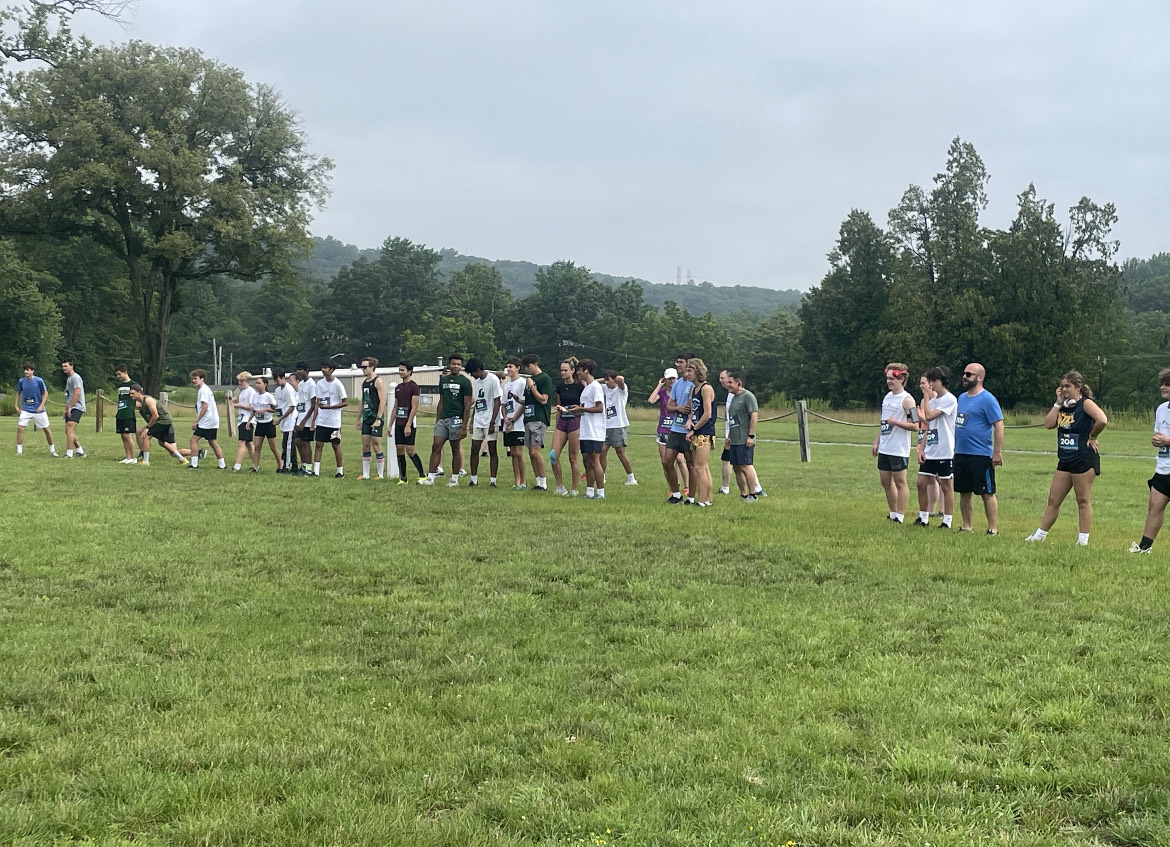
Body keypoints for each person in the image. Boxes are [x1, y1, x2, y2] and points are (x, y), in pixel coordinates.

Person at [1025, 371, 1108, 546]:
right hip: (1065, 459)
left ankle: (1083, 540)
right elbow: (1048, 424)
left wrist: (1092, 436)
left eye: (1067, 386)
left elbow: (1102, 419)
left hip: (1083, 458)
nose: (1063, 389)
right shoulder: (1063, 406)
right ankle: (1039, 536)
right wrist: (1057, 403)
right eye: (1061, 386)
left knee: (1082, 500)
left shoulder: (1085, 404)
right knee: (1053, 500)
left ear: (1078, 387)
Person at [954, 362, 1004, 535]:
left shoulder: (987, 399)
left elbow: (998, 425)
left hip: (980, 454)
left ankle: (992, 528)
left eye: (969, 374)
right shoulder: (961, 398)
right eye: (964, 374)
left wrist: (996, 452)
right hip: (961, 452)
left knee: (987, 492)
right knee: (964, 491)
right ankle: (966, 526)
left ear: (980, 378)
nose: (965, 377)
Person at [1130, 368, 1170, 554]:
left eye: (1167, 384)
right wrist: (1157, 442)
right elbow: (1159, 438)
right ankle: (1144, 547)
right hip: (1162, 468)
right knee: (1154, 508)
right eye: (1161, 383)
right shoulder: (1161, 409)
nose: (1162, 387)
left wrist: (1167, 441)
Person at [871, 363, 917, 523]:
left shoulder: (908, 400)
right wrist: (877, 442)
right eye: (887, 378)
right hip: (885, 446)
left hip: (899, 448)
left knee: (900, 482)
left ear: (902, 379)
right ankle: (892, 512)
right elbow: (883, 422)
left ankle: (900, 515)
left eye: (892, 378)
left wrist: (896, 422)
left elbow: (916, 425)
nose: (888, 381)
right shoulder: (887, 397)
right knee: (885, 481)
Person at [420, 353, 473, 486]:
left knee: (455, 447)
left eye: (459, 364)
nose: (456, 366)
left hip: (456, 418)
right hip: (443, 418)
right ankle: (430, 477)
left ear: (461, 366)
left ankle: (454, 478)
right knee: (436, 445)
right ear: (449, 364)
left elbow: (467, 405)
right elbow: (441, 401)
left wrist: (464, 425)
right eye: (454, 364)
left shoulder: (465, 382)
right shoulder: (443, 380)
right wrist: (438, 419)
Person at [914, 366, 957, 528]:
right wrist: (922, 448)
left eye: (933, 381)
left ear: (942, 381)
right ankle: (923, 517)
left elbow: (930, 415)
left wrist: (925, 396)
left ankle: (947, 520)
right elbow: (929, 425)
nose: (930, 384)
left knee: (946, 486)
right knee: (921, 482)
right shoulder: (933, 401)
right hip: (931, 449)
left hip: (944, 449)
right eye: (929, 381)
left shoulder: (949, 399)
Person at [650, 368, 688, 499]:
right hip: (663, 429)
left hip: (676, 428)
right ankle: (673, 487)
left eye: (674, 378)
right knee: (666, 461)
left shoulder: (680, 392)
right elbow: (651, 400)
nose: (672, 381)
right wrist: (659, 385)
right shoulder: (662, 392)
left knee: (680, 459)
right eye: (669, 379)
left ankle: (687, 486)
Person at [683, 358, 717, 507]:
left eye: (690, 370)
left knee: (699, 467)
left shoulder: (705, 388)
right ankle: (708, 499)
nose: (687, 374)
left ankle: (702, 500)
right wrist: (690, 420)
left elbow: (707, 413)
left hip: (705, 431)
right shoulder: (693, 389)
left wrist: (694, 429)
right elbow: (693, 410)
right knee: (703, 466)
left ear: (698, 371)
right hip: (696, 430)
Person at [129, 384, 189, 466]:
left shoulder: (148, 400)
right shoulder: (142, 404)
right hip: (162, 421)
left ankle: (145, 461)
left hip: (163, 421)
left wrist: (147, 428)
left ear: (139, 392)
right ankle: (182, 459)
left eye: (132, 393)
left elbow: (155, 416)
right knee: (162, 442)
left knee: (147, 436)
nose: (130, 395)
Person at [571, 359, 607, 499]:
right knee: (587, 461)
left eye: (579, 370)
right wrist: (573, 411)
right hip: (585, 430)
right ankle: (590, 491)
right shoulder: (586, 388)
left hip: (595, 431)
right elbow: (584, 409)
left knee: (595, 460)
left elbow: (599, 408)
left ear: (586, 370)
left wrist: (581, 408)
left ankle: (601, 493)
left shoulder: (596, 387)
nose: (577, 373)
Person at [663, 353, 696, 504]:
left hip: (689, 430)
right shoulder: (677, 384)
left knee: (691, 464)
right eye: (677, 362)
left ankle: (691, 496)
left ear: (689, 364)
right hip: (676, 428)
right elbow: (669, 406)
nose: (678, 365)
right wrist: (679, 408)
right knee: (667, 461)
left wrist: (681, 408)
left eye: (681, 362)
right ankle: (676, 493)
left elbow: (691, 406)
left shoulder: (694, 385)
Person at [725, 368, 760, 501]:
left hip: (744, 439)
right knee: (736, 467)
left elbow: (754, 416)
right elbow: (732, 419)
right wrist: (728, 438)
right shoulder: (734, 398)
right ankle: (743, 494)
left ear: (739, 383)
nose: (728, 385)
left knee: (745, 466)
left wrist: (750, 436)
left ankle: (753, 494)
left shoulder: (748, 396)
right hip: (734, 439)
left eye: (730, 382)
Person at [550, 357, 584, 496]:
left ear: (572, 371)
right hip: (562, 422)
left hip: (575, 422)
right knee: (553, 455)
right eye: (561, 370)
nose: (563, 373)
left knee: (572, 457)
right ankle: (560, 486)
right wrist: (557, 424)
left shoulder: (580, 387)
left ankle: (574, 488)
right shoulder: (559, 386)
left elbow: (583, 407)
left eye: (565, 370)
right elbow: (559, 406)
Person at [521, 353, 554, 491]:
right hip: (529, 417)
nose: (527, 370)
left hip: (539, 418)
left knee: (536, 451)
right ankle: (538, 481)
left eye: (528, 366)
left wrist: (533, 387)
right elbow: (529, 399)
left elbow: (543, 399)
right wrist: (519, 400)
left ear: (535, 364)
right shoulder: (529, 380)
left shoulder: (544, 378)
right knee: (530, 452)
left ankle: (544, 482)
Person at [467, 358, 502, 487]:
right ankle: (473, 479)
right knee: (474, 448)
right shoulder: (477, 382)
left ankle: (493, 480)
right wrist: (472, 420)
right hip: (478, 420)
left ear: (478, 370)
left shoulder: (493, 380)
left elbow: (497, 401)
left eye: (473, 373)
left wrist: (493, 422)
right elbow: (477, 402)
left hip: (490, 420)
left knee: (492, 450)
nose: (473, 376)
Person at [601, 370, 637, 486]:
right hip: (606, 425)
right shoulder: (605, 388)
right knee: (602, 452)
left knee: (620, 452)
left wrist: (615, 379)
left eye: (608, 380)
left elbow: (621, 379)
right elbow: (590, 383)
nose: (606, 382)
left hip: (618, 425)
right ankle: (602, 477)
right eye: (605, 380)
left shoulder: (621, 390)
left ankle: (631, 477)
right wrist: (604, 379)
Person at [313, 361, 347, 478]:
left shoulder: (337, 384)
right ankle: (316, 471)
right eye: (322, 367)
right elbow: (318, 401)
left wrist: (331, 407)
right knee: (318, 444)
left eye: (325, 368)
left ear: (331, 370)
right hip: (322, 420)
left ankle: (340, 471)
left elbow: (345, 402)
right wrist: (315, 419)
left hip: (334, 421)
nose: (323, 370)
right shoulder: (320, 383)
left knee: (335, 444)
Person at [393, 361, 425, 483]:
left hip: (409, 422)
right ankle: (403, 478)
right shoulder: (398, 388)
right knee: (399, 449)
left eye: (403, 370)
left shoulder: (414, 386)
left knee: (410, 450)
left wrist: (408, 425)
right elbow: (395, 407)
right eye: (399, 369)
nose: (400, 372)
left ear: (410, 371)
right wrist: (390, 425)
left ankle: (422, 475)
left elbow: (414, 406)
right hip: (399, 422)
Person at [15, 362, 57, 456]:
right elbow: (18, 393)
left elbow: (45, 393)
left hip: (38, 409)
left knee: (46, 429)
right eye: (25, 370)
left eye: (28, 370)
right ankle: (19, 451)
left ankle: (53, 451)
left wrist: (41, 405)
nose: (26, 371)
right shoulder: (21, 381)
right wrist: (16, 405)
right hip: (26, 409)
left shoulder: (39, 381)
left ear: (32, 371)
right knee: (20, 428)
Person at [356, 357, 387, 480]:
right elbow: (362, 400)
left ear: (372, 367)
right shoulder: (364, 383)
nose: (362, 369)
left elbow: (382, 400)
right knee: (365, 445)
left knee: (376, 445)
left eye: (365, 367)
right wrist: (358, 418)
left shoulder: (378, 381)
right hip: (366, 417)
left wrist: (378, 418)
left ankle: (380, 474)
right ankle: (366, 473)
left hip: (375, 416)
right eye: (361, 367)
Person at [188, 368, 225, 469]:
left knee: (193, 439)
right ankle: (222, 464)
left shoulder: (203, 390)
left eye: (195, 378)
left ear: (202, 378)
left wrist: (197, 420)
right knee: (212, 441)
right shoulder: (204, 389)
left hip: (207, 420)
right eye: (192, 379)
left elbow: (205, 406)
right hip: (212, 419)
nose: (193, 381)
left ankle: (194, 464)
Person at [501, 358, 528, 489]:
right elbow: (503, 404)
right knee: (512, 452)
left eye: (511, 366)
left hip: (519, 423)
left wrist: (513, 420)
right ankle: (516, 480)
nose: (508, 369)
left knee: (518, 451)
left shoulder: (522, 383)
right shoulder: (506, 386)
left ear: (518, 367)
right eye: (507, 367)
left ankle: (523, 481)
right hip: (508, 422)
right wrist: (506, 418)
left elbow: (523, 404)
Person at [917, 373, 941, 516]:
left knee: (941, 477)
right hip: (925, 436)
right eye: (920, 383)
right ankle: (930, 509)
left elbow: (931, 420)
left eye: (923, 383)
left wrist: (921, 417)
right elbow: (922, 423)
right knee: (929, 478)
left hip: (937, 439)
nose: (921, 386)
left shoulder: (938, 399)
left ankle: (943, 511)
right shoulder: (923, 400)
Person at [250, 376, 281, 472]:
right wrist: (249, 420)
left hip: (268, 424)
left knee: (273, 447)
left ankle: (281, 465)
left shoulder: (268, 396)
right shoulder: (255, 396)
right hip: (259, 424)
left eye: (259, 383)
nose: (257, 385)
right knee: (257, 446)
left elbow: (276, 409)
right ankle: (255, 467)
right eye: (256, 383)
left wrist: (266, 409)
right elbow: (253, 410)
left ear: (265, 384)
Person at [293, 361, 317, 476]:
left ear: (306, 370)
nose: (298, 371)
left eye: (301, 369)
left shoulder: (312, 384)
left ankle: (308, 468)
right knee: (298, 441)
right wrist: (297, 419)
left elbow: (313, 405)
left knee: (306, 443)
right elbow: (300, 402)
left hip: (307, 419)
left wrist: (304, 421)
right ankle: (303, 466)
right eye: (297, 369)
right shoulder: (301, 383)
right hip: (300, 416)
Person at [230, 371, 257, 472]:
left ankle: (237, 465)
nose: (239, 383)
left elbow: (252, 407)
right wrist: (236, 403)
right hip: (242, 419)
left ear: (247, 381)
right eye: (239, 381)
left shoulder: (251, 391)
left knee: (241, 442)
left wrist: (238, 405)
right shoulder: (242, 392)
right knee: (249, 443)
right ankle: (255, 464)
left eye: (241, 381)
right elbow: (242, 407)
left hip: (248, 420)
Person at [273, 368, 298, 473]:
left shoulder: (288, 389)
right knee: (287, 444)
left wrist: (280, 419)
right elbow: (279, 405)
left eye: (277, 380)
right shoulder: (278, 390)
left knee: (288, 445)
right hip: (283, 420)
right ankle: (294, 465)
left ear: (283, 378)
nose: (276, 382)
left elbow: (292, 406)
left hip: (290, 420)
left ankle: (286, 466)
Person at [61, 359, 86, 458]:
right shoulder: (69, 379)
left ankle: (69, 453)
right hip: (70, 407)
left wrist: (70, 406)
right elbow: (69, 395)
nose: (64, 368)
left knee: (70, 427)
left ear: (71, 366)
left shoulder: (76, 378)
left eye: (66, 366)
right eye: (63, 366)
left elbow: (77, 393)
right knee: (68, 430)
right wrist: (66, 408)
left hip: (77, 406)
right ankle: (80, 451)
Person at [114, 364, 138, 463]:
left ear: (125, 372)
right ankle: (127, 456)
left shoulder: (133, 385)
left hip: (129, 413)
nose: (118, 377)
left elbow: (138, 399)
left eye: (119, 374)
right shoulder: (120, 386)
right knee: (122, 435)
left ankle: (133, 457)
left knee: (128, 435)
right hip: (120, 413)